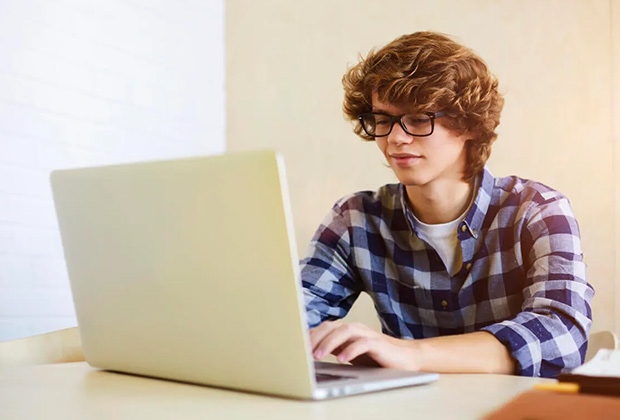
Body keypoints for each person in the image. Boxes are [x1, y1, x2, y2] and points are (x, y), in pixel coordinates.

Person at [301, 31, 594, 378]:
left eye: (420, 119)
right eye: (383, 120)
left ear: (468, 125)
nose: (395, 138)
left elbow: (563, 337)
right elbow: (285, 324)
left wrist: (410, 354)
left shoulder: (539, 211)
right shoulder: (356, 219)